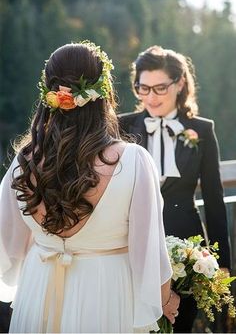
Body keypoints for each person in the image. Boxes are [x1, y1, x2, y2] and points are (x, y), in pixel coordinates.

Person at [0, 41, 180, 333]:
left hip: (39, 290)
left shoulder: (24, 162)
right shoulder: (133, 161)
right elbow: (148, 255)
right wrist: (165, 298)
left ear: (50, 94)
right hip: (107, 296)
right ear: (105, 93)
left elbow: (7, 249)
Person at [119, 45, 231, 333]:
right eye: (143, 88)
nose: (150, 97)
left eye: (159, 88)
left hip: (188, 251)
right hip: (130, 250)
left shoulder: (202, 130)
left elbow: (214, 200)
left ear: (180, 83)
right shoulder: (121, 127)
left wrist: (223, 264)